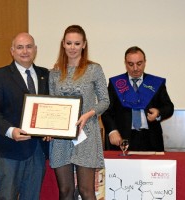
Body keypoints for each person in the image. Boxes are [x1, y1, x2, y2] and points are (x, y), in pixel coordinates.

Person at [0, 32, 49, 200]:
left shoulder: (46, 75)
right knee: (7, 197)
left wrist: (52, 129)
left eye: (29, 47)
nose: (25, 51)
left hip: (38, 151)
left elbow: (51, 109)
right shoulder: (0, 75)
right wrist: (10, 131)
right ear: (12, 51)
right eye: (20, 47)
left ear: (35, 50)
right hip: (9, 150)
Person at [49, 25, 109, 200]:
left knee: (86, 190)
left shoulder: (94, 69)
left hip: (86, 135)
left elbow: (105, 101)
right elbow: (52, 104)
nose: (72, 47)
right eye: (69, 43)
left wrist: (89, 114)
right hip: (61, 138)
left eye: (77, 43)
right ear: (63, 44)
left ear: (84, 45)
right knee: (65, 191)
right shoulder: (55, 72)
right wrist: (49, 128)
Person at [102, 46, 174, 152]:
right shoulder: (115, 83)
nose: (135, 68)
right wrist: (112, 131)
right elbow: (106, 111)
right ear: (125, 64)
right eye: (131, 64)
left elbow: (169, 107)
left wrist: (158, 113)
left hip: (151, 139)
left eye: (139, 63)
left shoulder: (156, 83)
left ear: (145, 62)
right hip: (122, 139)